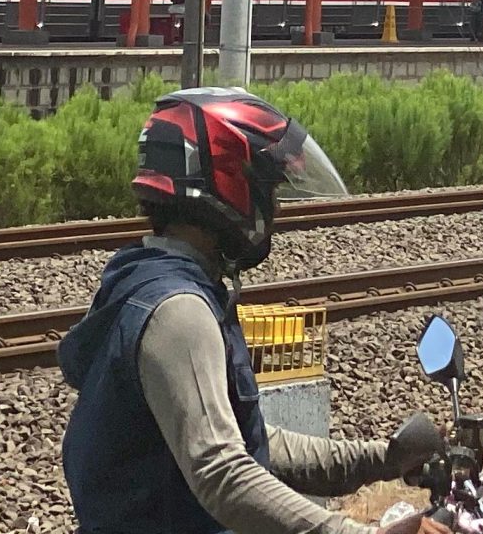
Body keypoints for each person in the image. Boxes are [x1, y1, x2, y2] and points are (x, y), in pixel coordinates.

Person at [61, 87, 445, 534]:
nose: (274, 208)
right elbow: (222, 473)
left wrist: (384, 459)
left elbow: (249, 442)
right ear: (227, 184)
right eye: (265, 189)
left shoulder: (148, 284)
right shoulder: (179, 311)